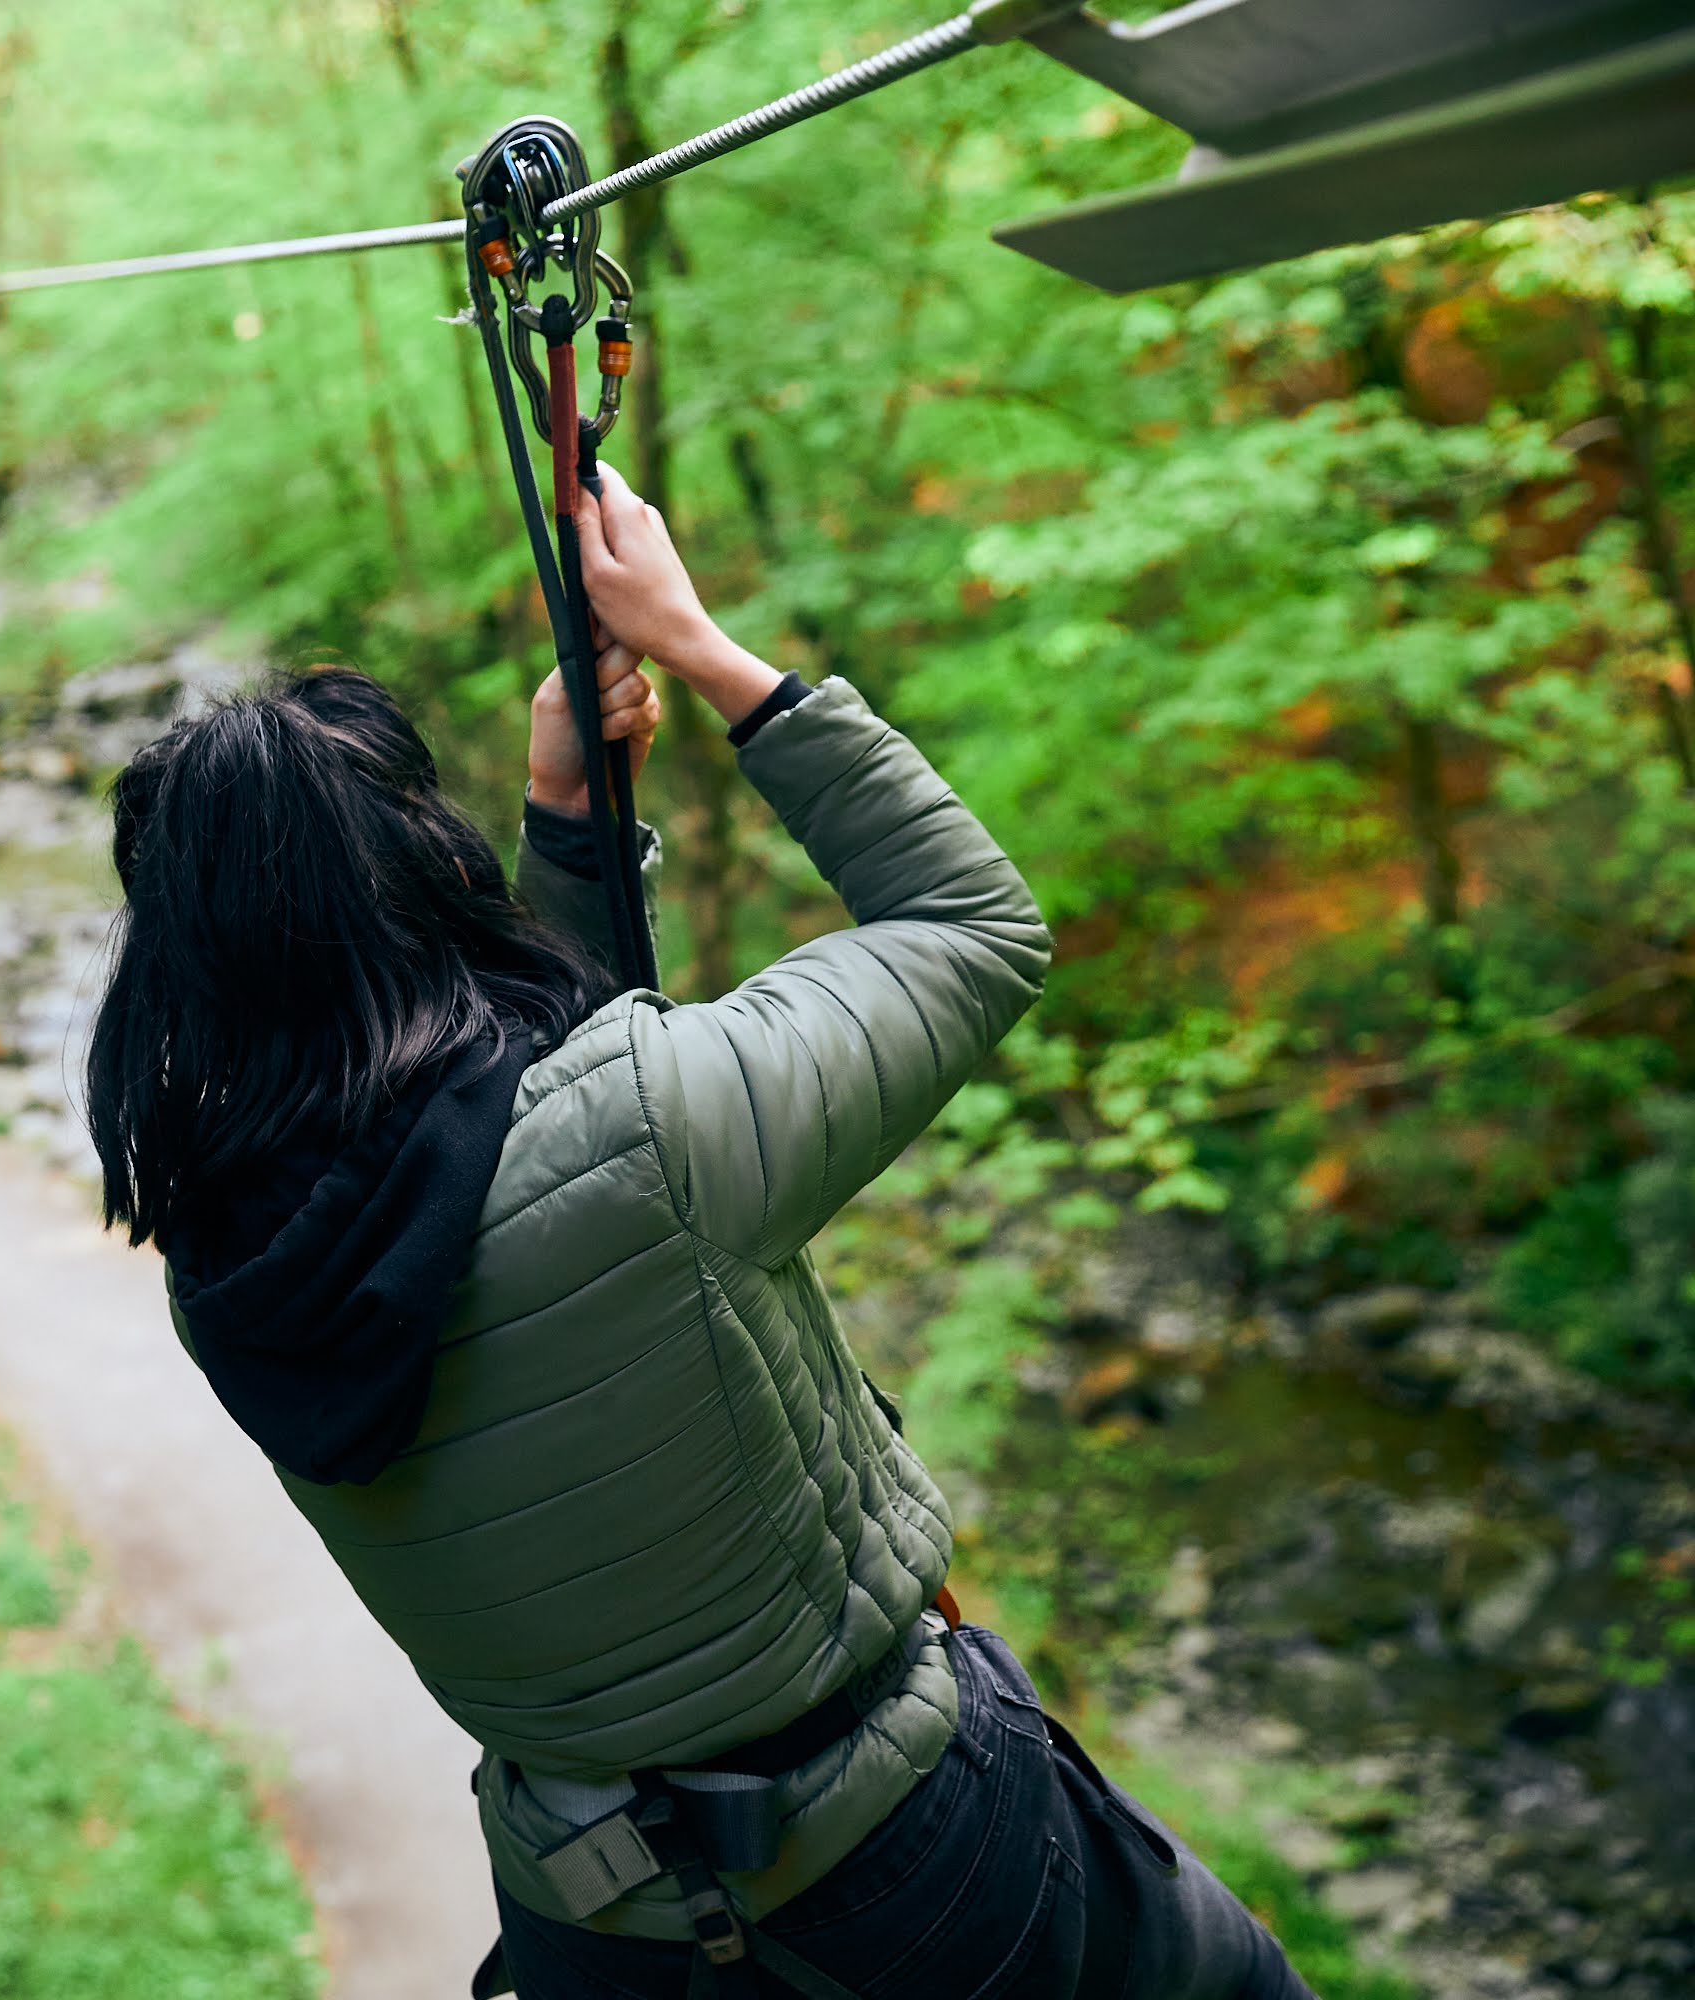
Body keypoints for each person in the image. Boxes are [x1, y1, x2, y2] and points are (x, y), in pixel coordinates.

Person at [84, 465, 1311, 2000]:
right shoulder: (654, 1131)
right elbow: (972, 929)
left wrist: (574, 824)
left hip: (596, 1923)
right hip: (905, 1868)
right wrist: (722, 658)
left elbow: (502, 1164)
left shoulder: (234, 1264)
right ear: (416, 869)